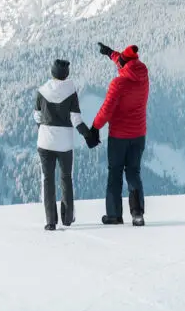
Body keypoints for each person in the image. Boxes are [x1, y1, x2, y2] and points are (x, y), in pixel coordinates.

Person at [34, 58, 99, 231]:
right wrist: (88, 135)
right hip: (64, 144)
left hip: (45, 141)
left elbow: (37, 116)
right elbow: (76, 119)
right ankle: (68, 218)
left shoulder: (42, 91)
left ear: (52, 72)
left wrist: (44, 129)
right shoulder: (71, 92)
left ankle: (50, 221)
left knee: (47, 179)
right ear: (66, 74)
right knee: (66, 178)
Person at [88, 42, 149, 226]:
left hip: (119, 137)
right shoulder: (143, 76)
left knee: (115, 173)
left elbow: (107, 110)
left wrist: (95, 127)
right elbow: (124, 62)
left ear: (123, 64)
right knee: (133, 172)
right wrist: (110, 53)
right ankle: (137, 213)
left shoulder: (118, 83)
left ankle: (114, 215)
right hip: (139, 135)